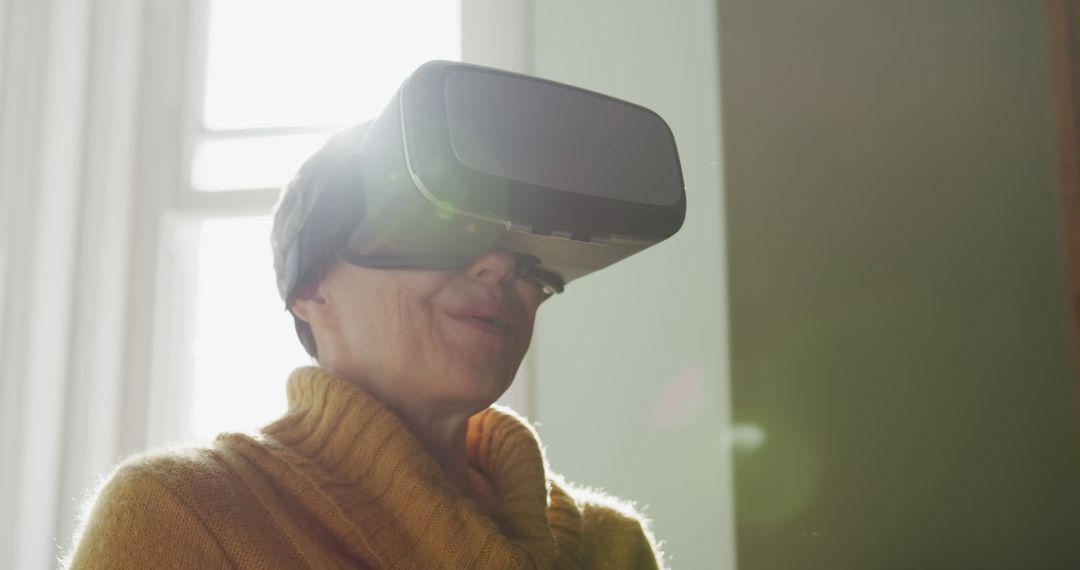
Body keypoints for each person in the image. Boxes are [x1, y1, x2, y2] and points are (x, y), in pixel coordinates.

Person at [65, 120, 665, 568]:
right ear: (313, 288)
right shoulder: (183, 515)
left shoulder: (613, 549)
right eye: (440, 226)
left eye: (525, 247)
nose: (499, 264)